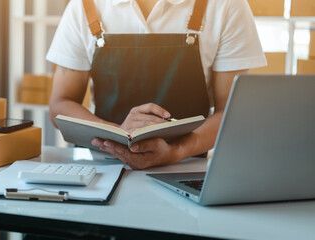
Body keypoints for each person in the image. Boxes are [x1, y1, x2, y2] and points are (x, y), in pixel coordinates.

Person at [46, 0, 266, 169]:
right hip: (103, 169)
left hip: (185, 168)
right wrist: (120, 135)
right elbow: (60, 104)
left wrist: (177, 151)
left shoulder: (226, 5)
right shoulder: (85, 5)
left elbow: (230, 112)